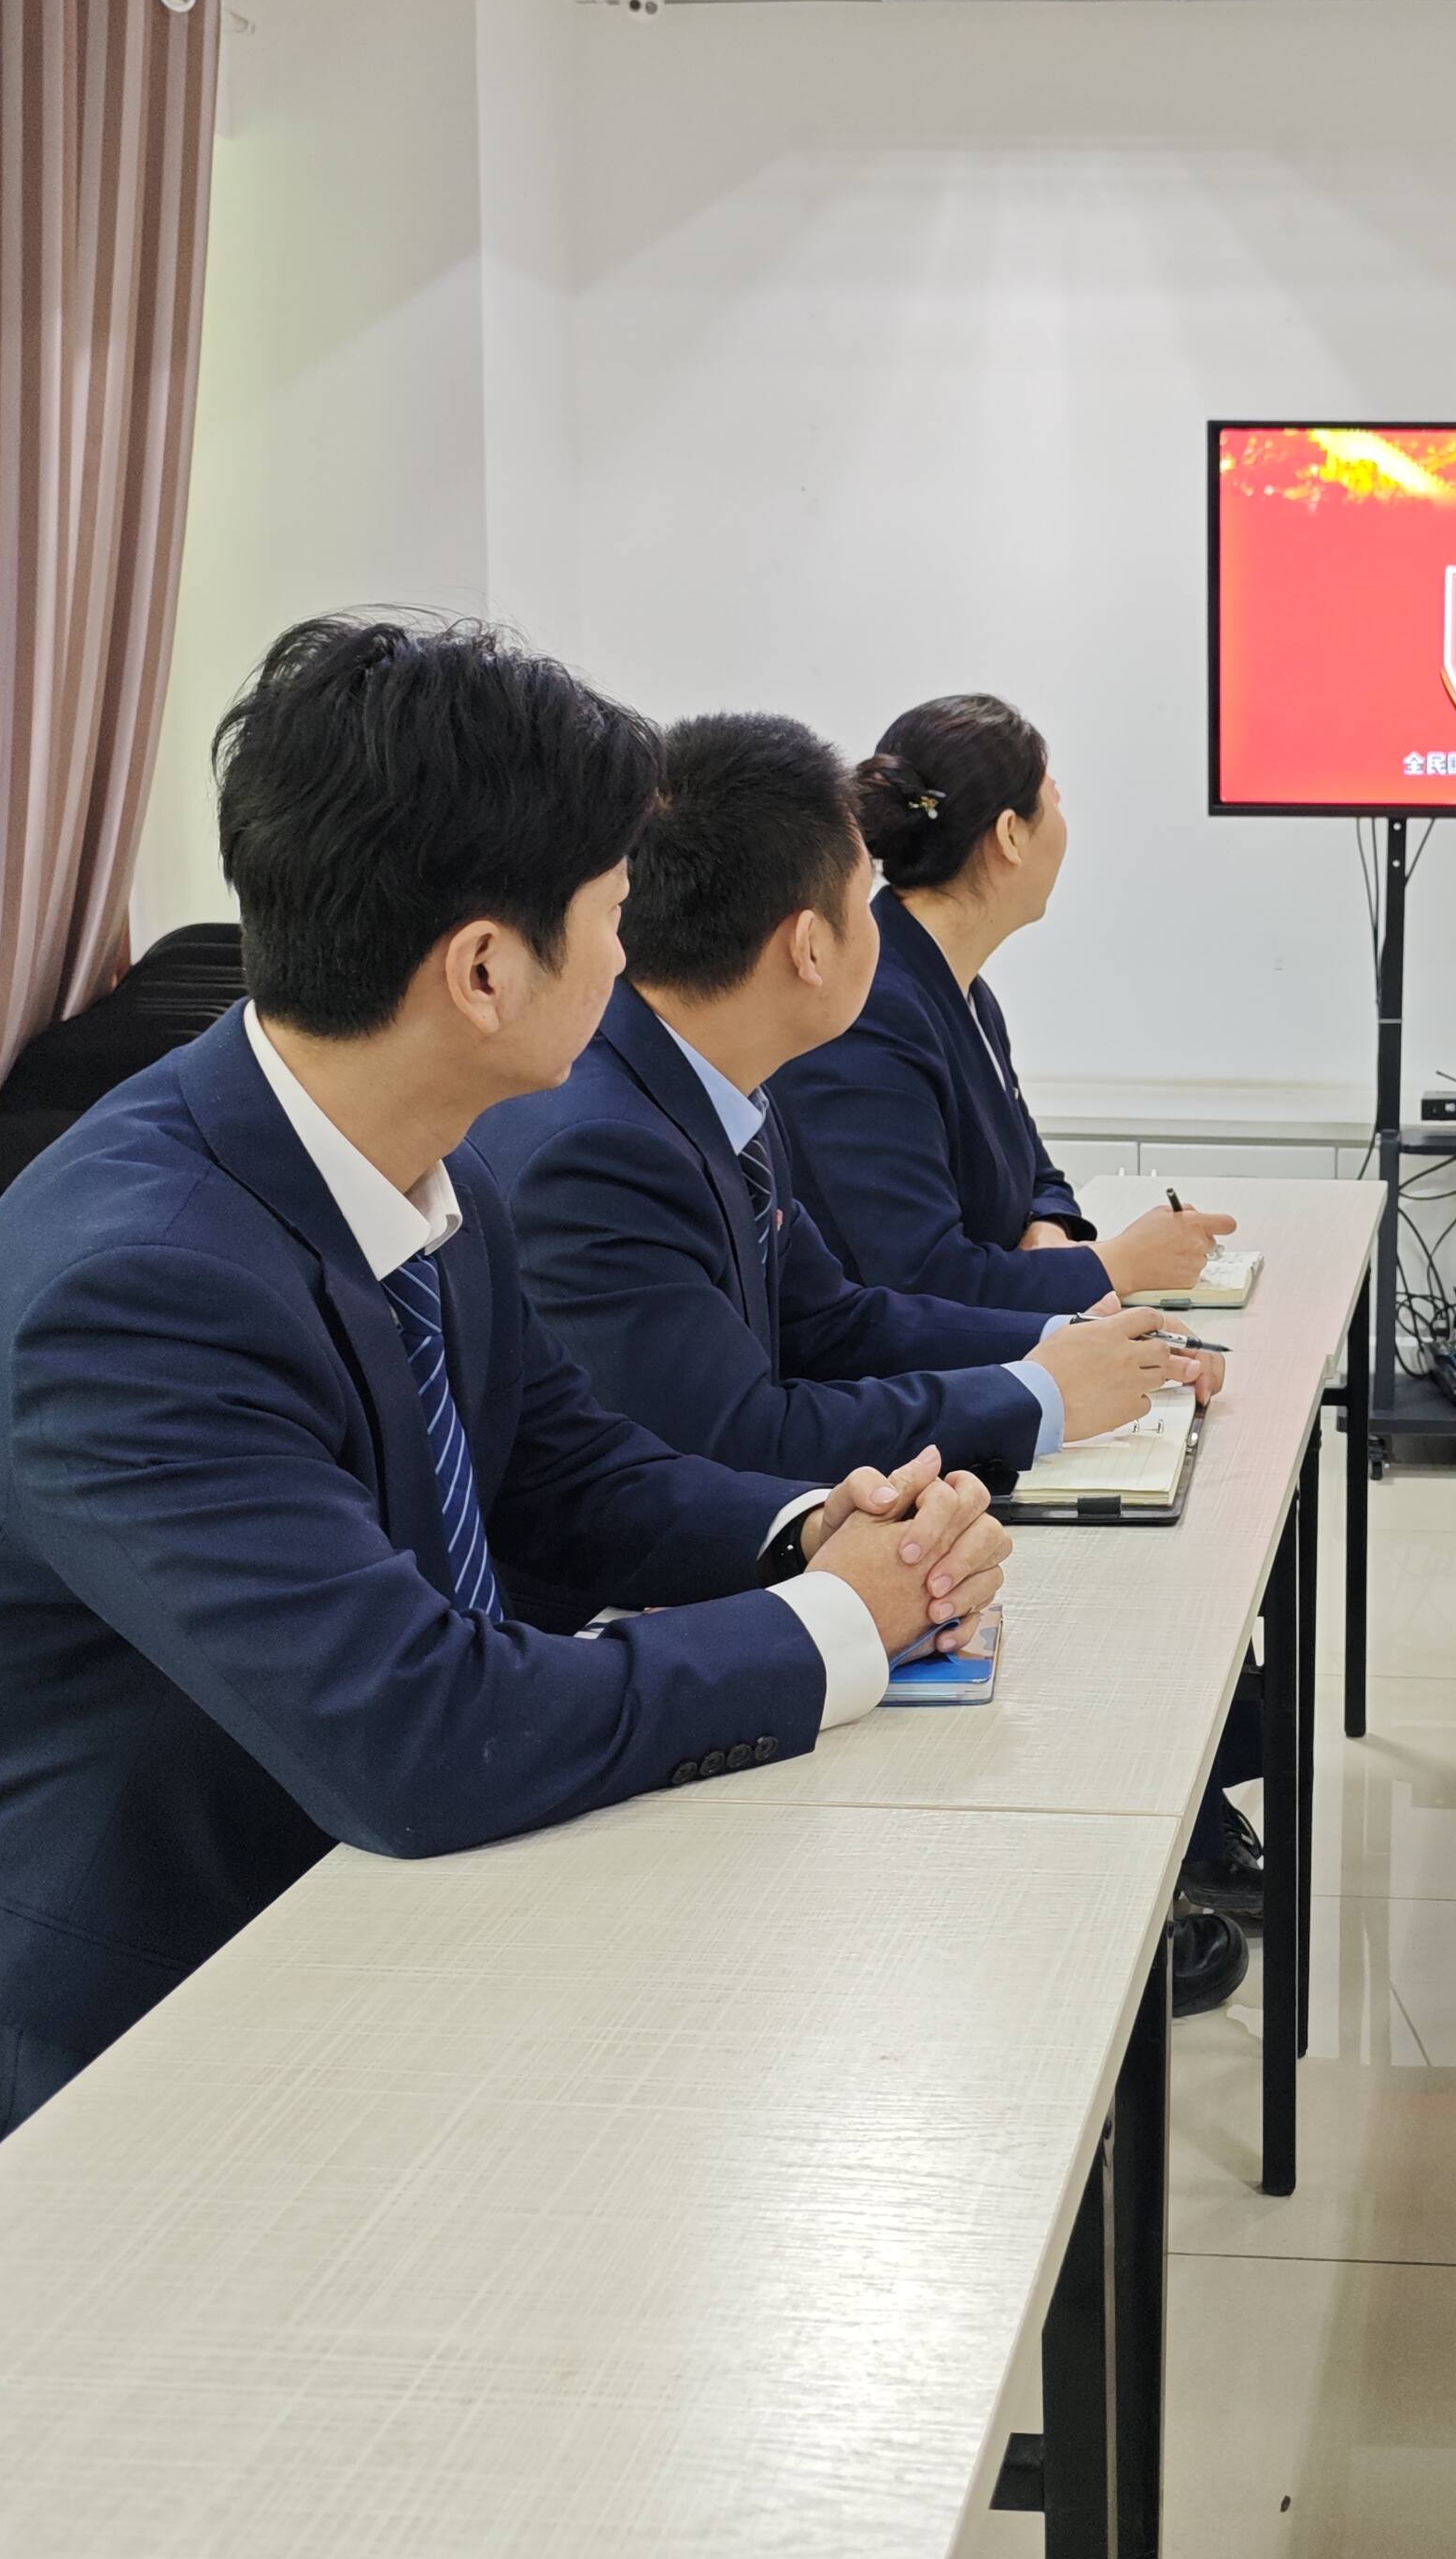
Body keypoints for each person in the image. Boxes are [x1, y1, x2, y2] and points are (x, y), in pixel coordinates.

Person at [0, 619, 1010, 2145]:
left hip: (346, 1902)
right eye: (613, 912)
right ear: (486, 969)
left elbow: (562, 1471)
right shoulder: (133, 1293)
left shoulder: (416, 1157)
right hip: (86, 2049)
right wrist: (836, 1626)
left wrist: (811, 1530)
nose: (631, 958)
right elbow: (421, 1736)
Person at [471, 712, 1258, 2008]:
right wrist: (1036, 1394)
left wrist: (1054, 1353)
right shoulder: (599, 1142)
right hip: (592, 1642)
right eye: (861, 896)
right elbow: (735, 1429)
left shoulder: (717, 1086)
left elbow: (835, 1319)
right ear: (810, 943)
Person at [770, 694, 1232, 1315]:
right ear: (1011, 834)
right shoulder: (870, 1009)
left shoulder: (961, 987)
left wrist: (1051, 1229)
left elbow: (1039, 1177)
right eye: (1053, 796)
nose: (1063, 817)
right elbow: (919, 1277)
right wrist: (1117, 1263)